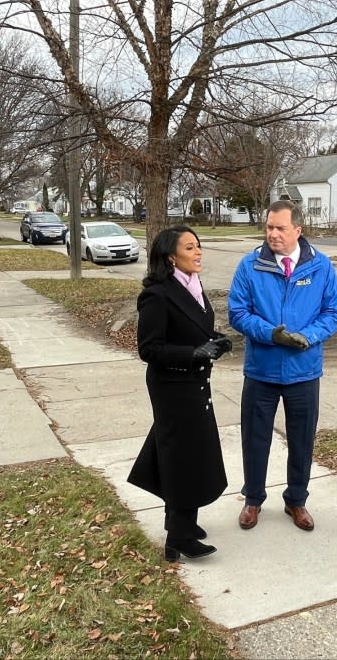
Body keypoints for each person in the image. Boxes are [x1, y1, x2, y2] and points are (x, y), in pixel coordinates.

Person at [228, 200, 337, 532]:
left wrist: (306, 336)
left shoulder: (321, 267)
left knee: (302, 440)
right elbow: (237, 312)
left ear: (298, 229)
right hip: (261, 372)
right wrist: (271, 334)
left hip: (304, 373)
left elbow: (334, 312)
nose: (272, 234)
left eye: (280, 228)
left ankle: (296, 499)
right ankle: (252, 500)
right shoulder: (250, 266)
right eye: (268, 227)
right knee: (255, 439)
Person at [128, 225, 232, 561]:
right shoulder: (157, 294)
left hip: (194, 382)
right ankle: (179, 536)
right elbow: (150, 348)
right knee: (183, 455)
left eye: (198, 246)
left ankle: (179, 521)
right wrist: (193, 354)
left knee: (176, 450)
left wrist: (214, 339)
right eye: (190, 248)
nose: (198, 252)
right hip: (172, 386)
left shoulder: (192, 285)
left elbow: (190, 329)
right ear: (171, 255)